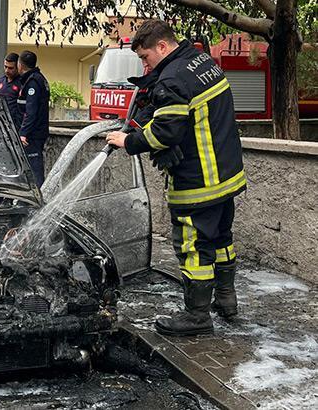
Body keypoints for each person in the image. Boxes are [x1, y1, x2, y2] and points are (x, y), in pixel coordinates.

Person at [105, 19, 246, 337]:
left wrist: (128, 141)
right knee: (221, 238)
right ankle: (226, 300)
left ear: (162, 47)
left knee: (192, 246)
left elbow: (166, 130)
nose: (144, 64)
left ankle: (196, 315)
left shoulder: (172, 79)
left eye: (145, 57)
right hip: (226, 173)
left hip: (198, 181)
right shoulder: (201, 61)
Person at [16, 50, 50, 187]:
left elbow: (31, 111)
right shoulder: (36, 78)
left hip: (33, 134)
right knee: (29, 166)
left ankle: (37, 199)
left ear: (20, 65)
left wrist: (24, 133)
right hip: (36, 131)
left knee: (34, 167)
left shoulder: (33, 82)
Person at [0, 52, 24, 131]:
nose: (7, 70)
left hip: (16, 125)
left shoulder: (22, 83)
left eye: (11, 68)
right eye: (5, 67)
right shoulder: (0, 82)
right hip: (2, 123)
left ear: (18, 66)